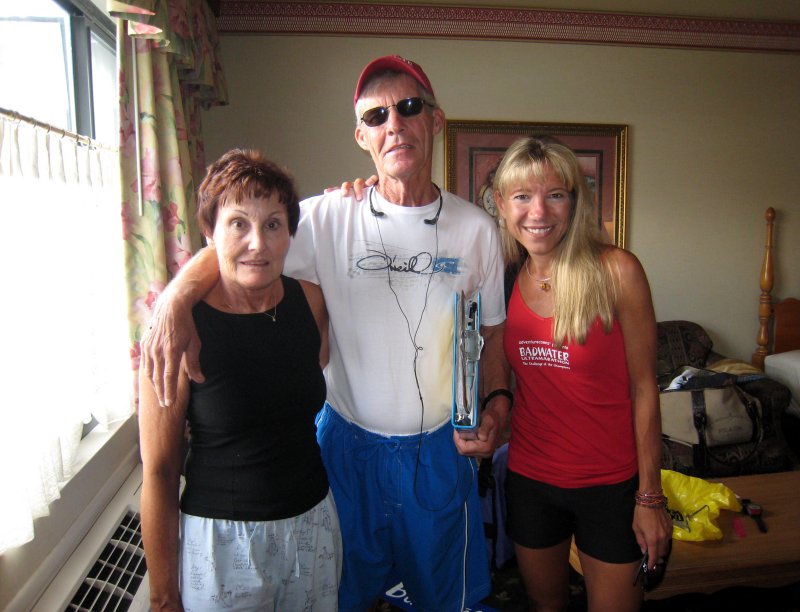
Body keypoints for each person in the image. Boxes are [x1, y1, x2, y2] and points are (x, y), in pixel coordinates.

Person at [140, 56, 511, 612]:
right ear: (361, 135)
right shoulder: (326, 216)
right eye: (377, 114)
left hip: (437, 452)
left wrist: (498, 408)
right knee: (342, 598)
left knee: (449, 601)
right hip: (344, 450)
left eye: (409, 108)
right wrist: (174, 297)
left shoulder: (478, 231)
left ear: (434, 121)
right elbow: (239, 244)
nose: (395, 124)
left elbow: (493, 338)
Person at [138, 149, 341, 612]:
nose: (258, 243)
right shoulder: (174, 330)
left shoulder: (310, 302)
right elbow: (161, 472)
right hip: (221, 544)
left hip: (312, 526)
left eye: (273, 224)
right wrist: (163, 595)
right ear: (209, 232)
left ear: (290, 232)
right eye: (238, 224)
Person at [492, 136, 672, 612]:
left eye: (555, 194)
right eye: (522, 196)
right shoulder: (504, 277)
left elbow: (644, 388)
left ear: (575, 201)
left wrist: (650, 498)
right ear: (501, 204)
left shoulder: (617, 271)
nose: (539, 212)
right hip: (531, 480)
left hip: (611, 485)